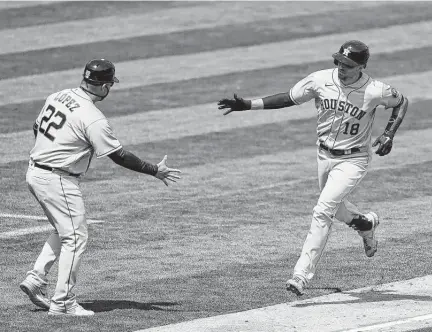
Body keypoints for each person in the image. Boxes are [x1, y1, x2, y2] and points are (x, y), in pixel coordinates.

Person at [217, 40, 408, 296]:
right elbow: (289, 97)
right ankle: (365, 224)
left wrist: (389, 134)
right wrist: (249, 105)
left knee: (322, 211)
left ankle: (301, 275)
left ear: (361, 66)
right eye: (339, 61)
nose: (342, 67)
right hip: (323, 155)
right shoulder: (320, 80)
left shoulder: (375, 90)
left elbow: (401, 102)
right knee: (336, 208)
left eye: (349, 65)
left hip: (354, 160)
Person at [20, 59, 181, 316]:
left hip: (35, 171)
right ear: (105, 86)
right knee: (75, 236)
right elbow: (118, 156)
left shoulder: (58, 95)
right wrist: (155, 170)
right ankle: (63, 302)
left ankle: (36, 279)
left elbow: (36, 127)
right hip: (57, 179)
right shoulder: (93, 118)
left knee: (65, 229)